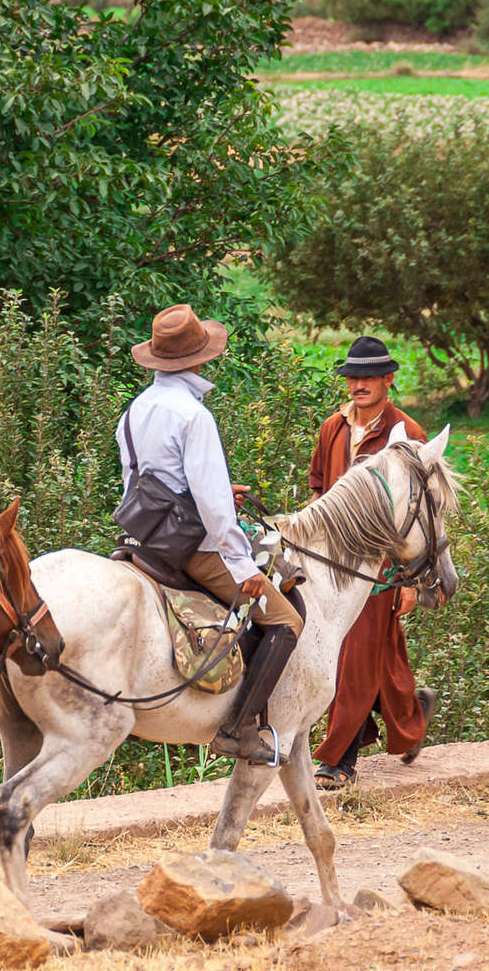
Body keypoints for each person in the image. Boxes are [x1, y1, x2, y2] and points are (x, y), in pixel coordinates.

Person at [118, 304, 304, 764]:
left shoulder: (135, 408)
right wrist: (243, 568)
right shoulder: (193, 415)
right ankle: (238, 729)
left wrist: (220, 488)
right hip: (192, 549)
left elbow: (142, 483)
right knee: (285, 620)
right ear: (199, 358)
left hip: (142, 539)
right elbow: (214, 511)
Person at [305, 337, 435, 788]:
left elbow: (417, 512)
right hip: (332, 561)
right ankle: (411, 717)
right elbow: (319, 488)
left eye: (368, 377)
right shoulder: (332, 428)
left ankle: (337, 759)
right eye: (352, 376)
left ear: (388, 379)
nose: (358, 384)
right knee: (379, 651)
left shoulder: (408, 432)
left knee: (355, 652)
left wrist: (407, 582)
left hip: (380, 566)